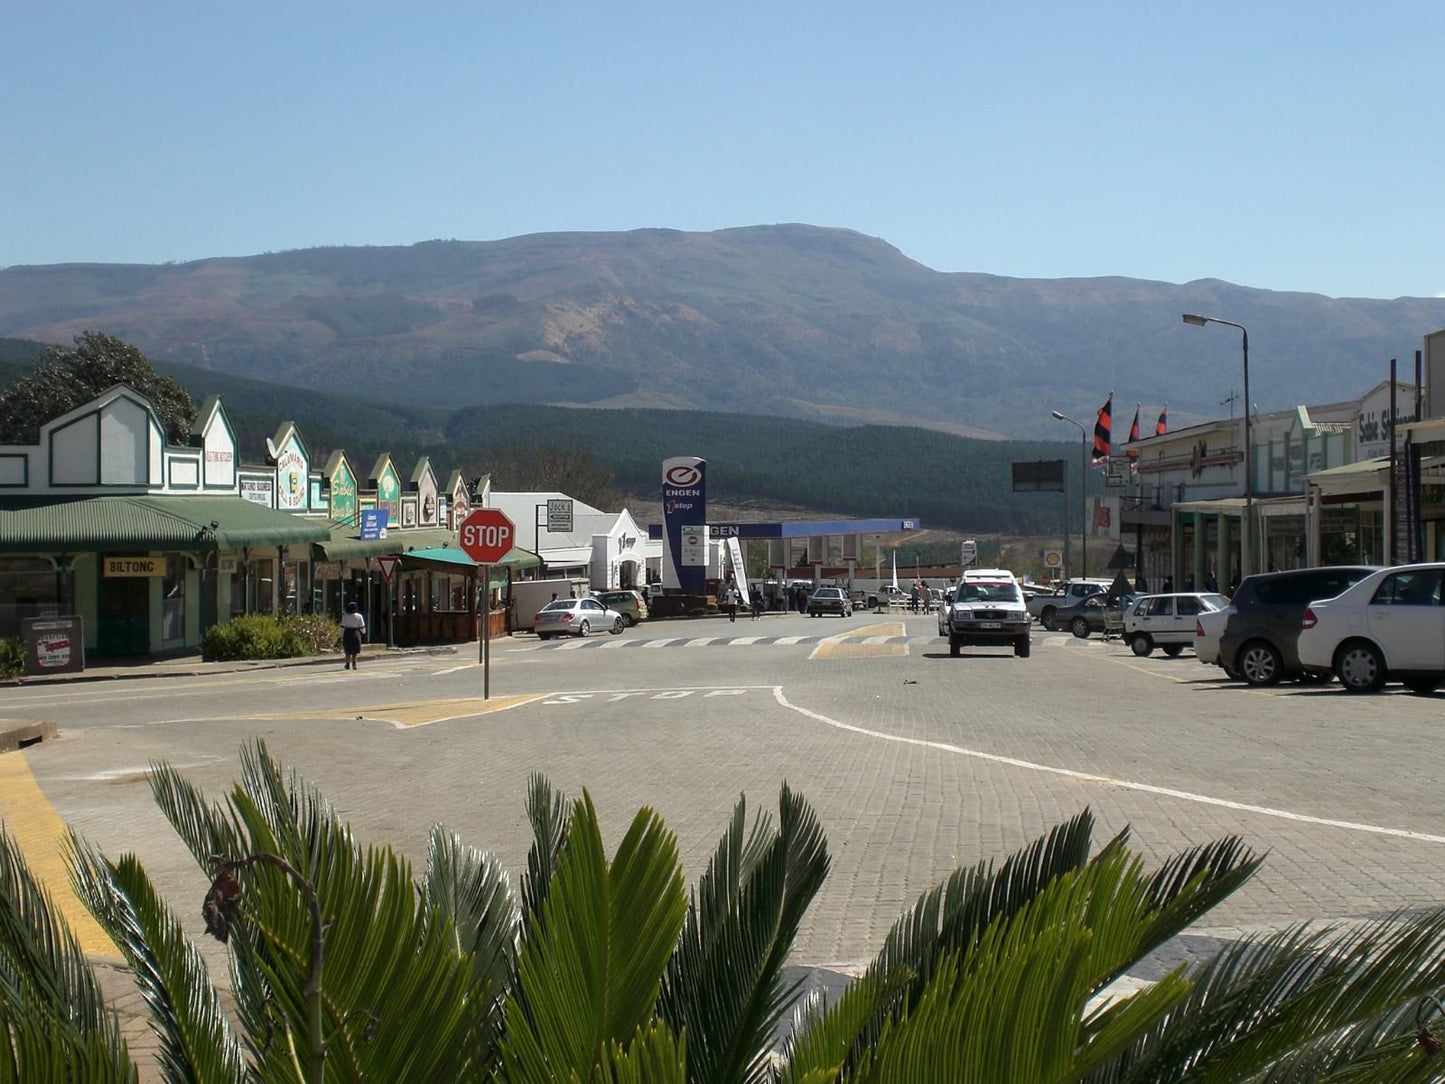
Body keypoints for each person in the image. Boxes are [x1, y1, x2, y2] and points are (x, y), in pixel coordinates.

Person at [341, 601, 366, 670]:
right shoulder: (359, 616)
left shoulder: (345, 616)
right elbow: (362, 626)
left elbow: (342, 627)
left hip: (347, 633)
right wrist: (363, 632)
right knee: (355, 650)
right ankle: (354, 664)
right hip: (356, 633)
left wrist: (341, 636)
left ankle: (347, 664)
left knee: (348, 650)